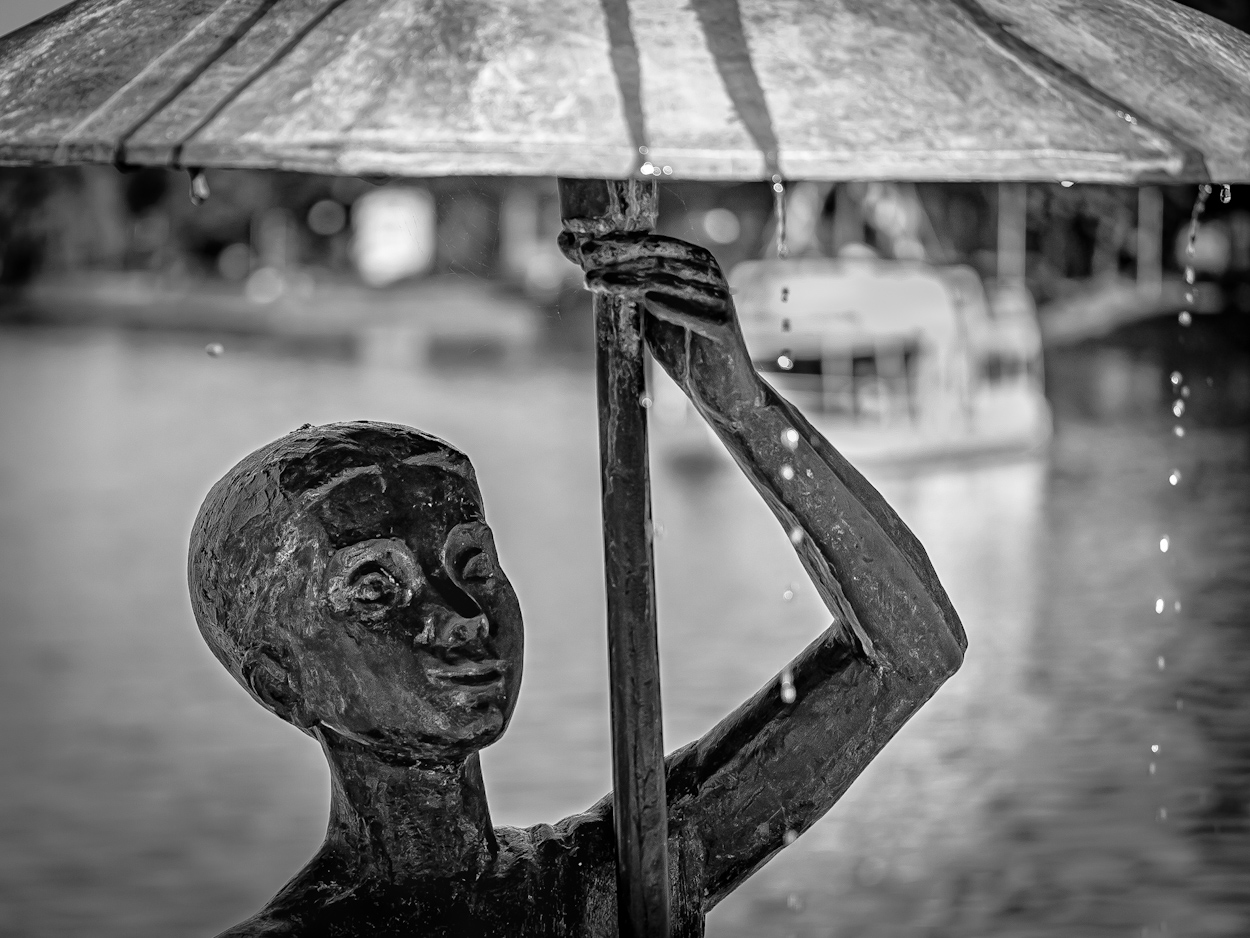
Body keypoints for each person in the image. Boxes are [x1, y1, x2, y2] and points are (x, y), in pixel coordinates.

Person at [188, 233, 966, 937]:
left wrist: (741, 408)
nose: (461, 615)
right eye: (375, 592)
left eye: (473, 565)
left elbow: (910, 652)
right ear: (281, 683)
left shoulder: (612, 881)